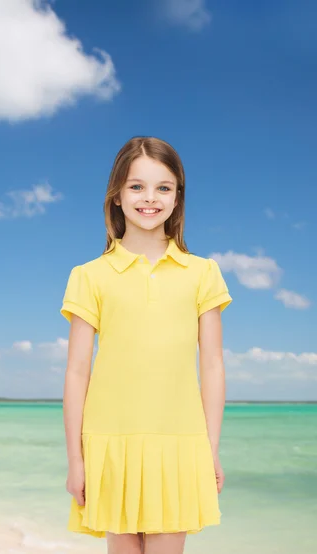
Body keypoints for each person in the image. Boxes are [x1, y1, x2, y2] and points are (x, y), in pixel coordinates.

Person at [61, 136, 232, 554]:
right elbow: (77, 371)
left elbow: (211, 366)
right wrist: (77, 460)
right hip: (109, 442)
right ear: (117, 196)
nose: (149, 198)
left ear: (177, 197)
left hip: (179, 442)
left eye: (163, 187)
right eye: (136, 186)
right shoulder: (89, 275)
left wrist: (209, 449)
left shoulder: (203, 273)